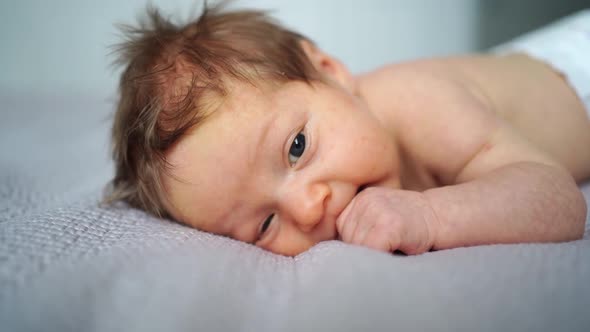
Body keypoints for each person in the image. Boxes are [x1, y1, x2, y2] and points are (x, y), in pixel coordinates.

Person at [106, 3, 590, 256]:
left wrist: (431, 217)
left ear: (331, 71)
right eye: (264, 225)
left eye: (297, 147)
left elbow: (557, 199)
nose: (307, 207)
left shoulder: (419, 101)